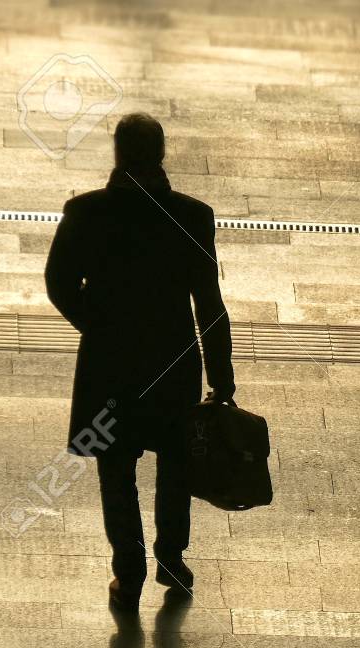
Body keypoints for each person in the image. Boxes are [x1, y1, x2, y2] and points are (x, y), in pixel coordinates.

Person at [45, 112, 235, 612]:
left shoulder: (85, 212)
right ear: (162, 154)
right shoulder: (193, 216)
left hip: (110, 362)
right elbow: (209, 303)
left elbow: (59, 285)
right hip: (173, 360)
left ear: (116, 154)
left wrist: (98, 326)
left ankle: (127, 570)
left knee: (115, 466)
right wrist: (222, 377)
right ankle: (171, 558)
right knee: (175, 462)